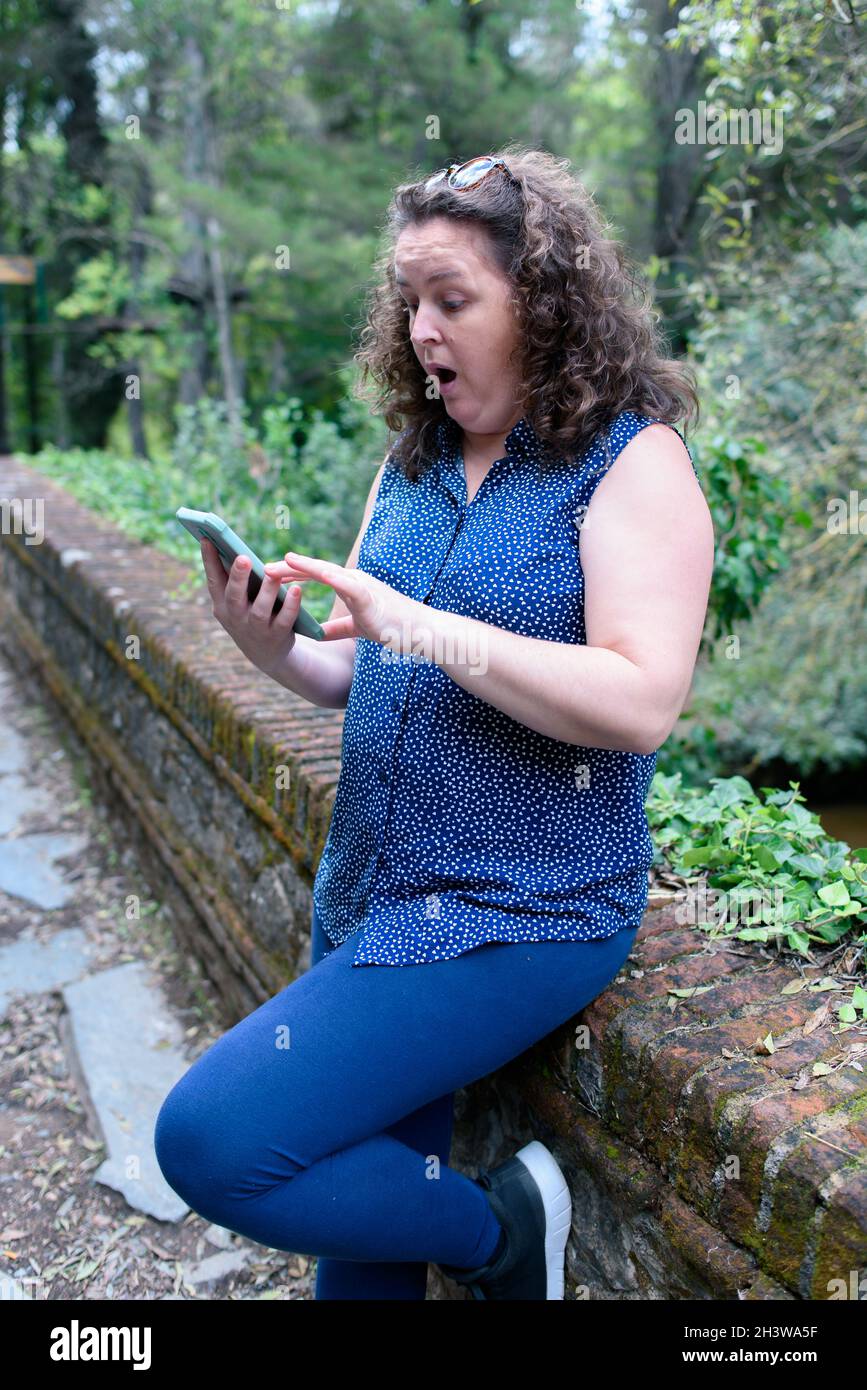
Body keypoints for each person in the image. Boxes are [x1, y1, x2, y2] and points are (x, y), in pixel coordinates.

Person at [154, 145, 714, 1301]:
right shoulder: (409, 465)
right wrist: (273, 644)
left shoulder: (634, 465)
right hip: (370, 892)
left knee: (210, 1140)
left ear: (544, 305)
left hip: (522, 909)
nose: (421, 329)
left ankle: (503, 1237)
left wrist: (426, 626)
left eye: (453, 299)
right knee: (355, 1284)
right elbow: (363, 671)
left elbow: (642, 701)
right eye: (410, 300)